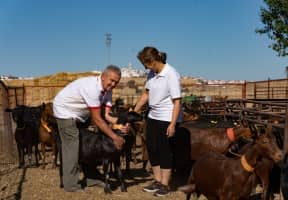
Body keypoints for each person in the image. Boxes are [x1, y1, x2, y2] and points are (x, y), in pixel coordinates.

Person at [53, 65, 126, 192]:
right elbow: (98, 120)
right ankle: (70, 185)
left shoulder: (108, 90)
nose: (113, 84)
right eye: (111, 80)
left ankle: (91, 178)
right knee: (72, 146)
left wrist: (120, 125)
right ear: (103, 77)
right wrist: (115, 137)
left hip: (81, 114)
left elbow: (107, 116)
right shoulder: (92, 89)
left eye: (116, 82)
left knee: (87, 145)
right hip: (65, 111)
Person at [134, 46, 182, 197]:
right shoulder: (151, 73)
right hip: (153, 115)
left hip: (167, 117)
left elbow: (177, 102)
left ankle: (165, 185)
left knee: (164, 150)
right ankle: (157, 181)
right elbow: (146, 94)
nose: (146, 67)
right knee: (152, 148)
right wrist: (134, 111)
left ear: (154, 61)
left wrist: (173, 124)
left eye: (146, 64)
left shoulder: (171, 74)